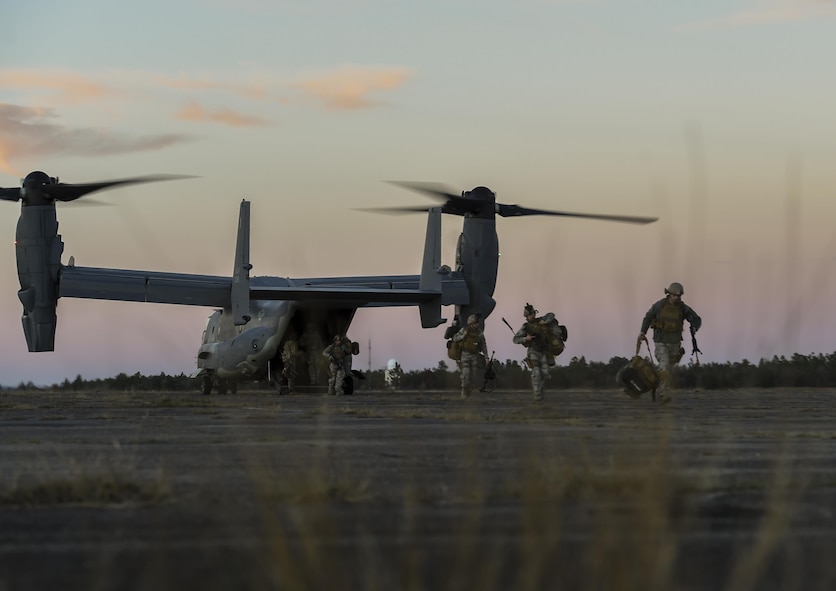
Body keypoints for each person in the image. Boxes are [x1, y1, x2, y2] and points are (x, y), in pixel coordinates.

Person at [639, 282, 702, 405]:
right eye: (674, 295)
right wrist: (643, 332)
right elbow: (648, 317)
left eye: (679, 296)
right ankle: (663, 394)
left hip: (675, 344)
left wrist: (694, 327)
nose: (677, 298)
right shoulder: (659, 306)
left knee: (668, 370)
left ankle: (657, 385)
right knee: (664, 365)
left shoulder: (683, 308)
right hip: (660, 342)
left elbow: (696, 319)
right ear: (669, 294)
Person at [513, 303, 558, 402]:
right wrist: (526, 338)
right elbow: (515, 339)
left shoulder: (540, 320)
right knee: (536, 373)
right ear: (526, 316)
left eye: (533, 313)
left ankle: (540, 392)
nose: (532, 315)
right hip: (533, 351)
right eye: (530, 314)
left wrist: (545, 321)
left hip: (544, 351)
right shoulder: (525, 327)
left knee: (545, 374)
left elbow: (551, 315)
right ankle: (537, 396)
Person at [452, 314, 489, 399]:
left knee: (474, 376)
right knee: (466, 373)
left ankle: (469, 391)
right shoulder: (464, 330)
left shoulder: (479, 333)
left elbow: (483, 345)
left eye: (477, 323)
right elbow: (455, 338)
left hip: (474, 355)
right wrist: (462, 336)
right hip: (465, 354)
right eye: (475, 323)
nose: (477, 324)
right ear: (471, 323)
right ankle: (464, 390)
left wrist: (486, 357)